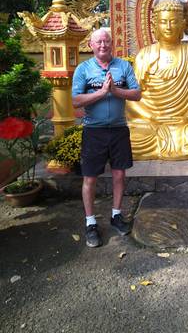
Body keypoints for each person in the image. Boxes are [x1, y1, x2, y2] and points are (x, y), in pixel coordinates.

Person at [72, 28, 141, 248]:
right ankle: (90, 222)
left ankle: (116, 215)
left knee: (119, 174)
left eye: (107, 41)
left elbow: (137, 94)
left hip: (119, 129)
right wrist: (101, 93)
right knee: (90, 178)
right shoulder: (83, 69)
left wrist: (115, 91)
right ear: (91, 45)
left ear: (112, 44)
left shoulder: (123, 66)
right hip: (94, 131)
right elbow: (75, 101)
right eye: (98, 42)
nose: (103, 45)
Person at [126, 0, 188, 160]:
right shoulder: (144, 55)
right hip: (151, 125)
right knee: (128, 138)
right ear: (155, 25)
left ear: (183, 24)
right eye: (163, 22)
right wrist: (152, 117)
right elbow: (132, 100)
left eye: (173, 21)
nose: (169, 27)